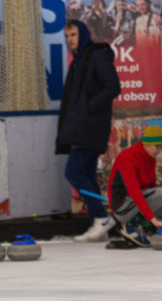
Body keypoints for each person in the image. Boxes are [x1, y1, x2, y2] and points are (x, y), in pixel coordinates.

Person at [56, 20, 121, 242]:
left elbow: (113, 86)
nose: (70, 40)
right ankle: (98, 222)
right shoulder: (79, 60)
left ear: (82, 35)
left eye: (73, 35)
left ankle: (101, 217)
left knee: (73, 172)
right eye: (67, 36)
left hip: (91, 125)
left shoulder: (95, 56)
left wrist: (88, 107)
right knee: (87, 173)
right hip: (83, 124)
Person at [106, 125, 162, 246]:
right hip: (123, 209)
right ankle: (132, 225)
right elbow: (134, 192)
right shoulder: (128, 158)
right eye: (157, 147)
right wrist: (154, 220)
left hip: (139, 205)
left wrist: (153, 217)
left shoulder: (151, 157)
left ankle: (149, 228)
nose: (160, 151)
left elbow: (151, 186)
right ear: (146, 144)